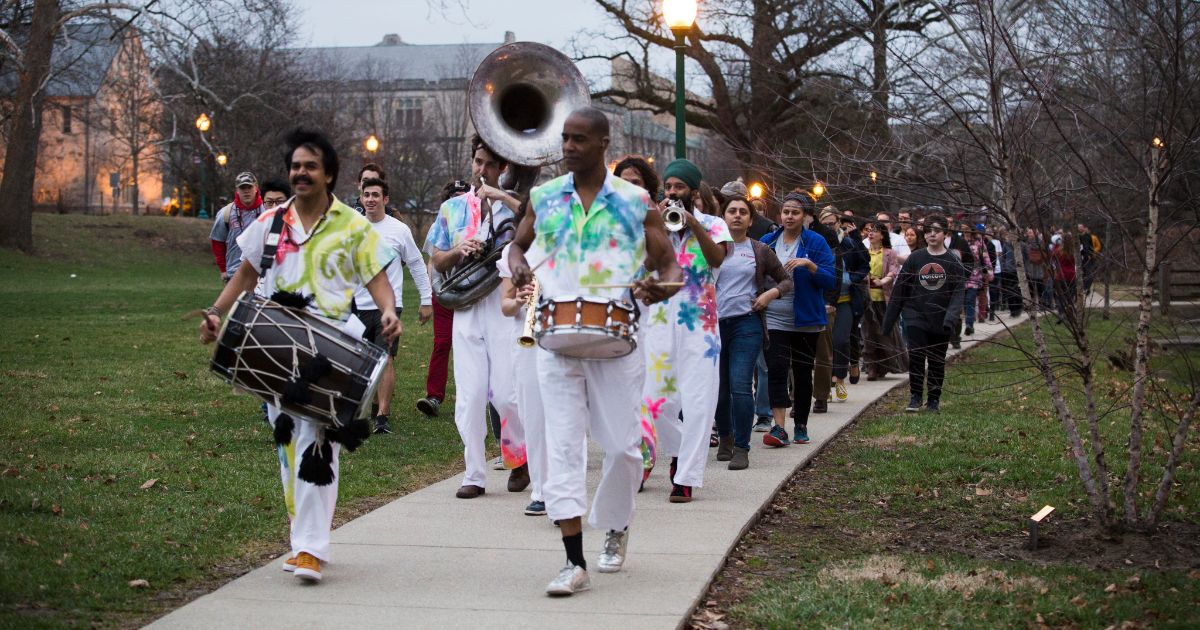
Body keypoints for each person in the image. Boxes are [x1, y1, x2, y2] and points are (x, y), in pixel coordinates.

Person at [198, 127, 400, 583]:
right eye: (295, 167)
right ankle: (302, 537)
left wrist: (389, 311)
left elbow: (377, 281)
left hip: (328, 353)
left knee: (317, 443)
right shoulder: (271, 222)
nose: (300, 174)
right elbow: (245, 274)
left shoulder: (352, 225)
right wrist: (216, 311)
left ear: (328, 173)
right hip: (275, 349)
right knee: (288, 446)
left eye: (310, 166)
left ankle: (310, 548)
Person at [507, 106, 683, 596]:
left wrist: (659, 288)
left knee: (625, 448)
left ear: (604, 143)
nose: (567, 147)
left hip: (618, 340)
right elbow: (517, 247)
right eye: (564, 138)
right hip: (556, 339)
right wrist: (519, 264)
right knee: (561, 446)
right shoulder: (543, 197)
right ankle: (572, 560)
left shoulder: (635, 201)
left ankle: (617, 525)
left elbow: (669, 265)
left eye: (579, 139)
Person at [424, 136, 528, 500]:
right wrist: (458, 250)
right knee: (468, 396)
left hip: (502, 306)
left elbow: (538, 223)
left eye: (488, 164)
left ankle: (519, 458)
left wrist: (501, 199)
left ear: (502, 170)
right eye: (477, 162)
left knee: (507, 394)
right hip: (466, 308)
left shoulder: (512, 207)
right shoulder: (452, 208)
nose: (480, 169)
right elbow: (436, 259)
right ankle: (474, 473)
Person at [637, 158, 730, 503]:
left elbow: (717, 259)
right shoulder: (657, 223)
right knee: (654, 400)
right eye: (669, 187)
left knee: (698, 402)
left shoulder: (714, 223)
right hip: (661, 320)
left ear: (692, 190)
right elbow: (646, 264)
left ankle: (686, 477)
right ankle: (676, 451)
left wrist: (693, 224)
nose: (673, 193)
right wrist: (657, 228)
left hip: (700, 327)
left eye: (679, 187)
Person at [714, 195, 791, 470]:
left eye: (742, 212)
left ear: (750, 219)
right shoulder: (711, 248)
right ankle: (725, 435)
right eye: (731, 211)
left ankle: (742, 447)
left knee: (740, 385)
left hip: (747, 323)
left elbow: (785, 281)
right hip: (713, 326)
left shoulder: (759, 250)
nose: (736, 215)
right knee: (719, 390)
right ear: (722, 216)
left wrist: (769, 295)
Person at [352, 177, 433, 434]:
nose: (371, 199)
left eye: (376, 195)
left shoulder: (399, 230)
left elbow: (418, 265)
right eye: (367, 195)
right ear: (362, 198)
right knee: (360, 360)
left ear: (385, 199)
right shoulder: (353, 228)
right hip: (357, 305)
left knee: (385, 358)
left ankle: (383, 417)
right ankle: (369, 408)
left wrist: (426, 300)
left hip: (390, 306)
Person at [760, 191, 835, 447]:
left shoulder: (815, 243)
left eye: (795, 212)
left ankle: (800, 423)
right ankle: (779, 427)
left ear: (806, 216)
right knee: (777, 370)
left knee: (803, 373)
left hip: (806, 319)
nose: (789, 216)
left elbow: (829, 280)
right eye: (786, 211)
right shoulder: (768, 241)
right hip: (774, 318)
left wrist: (810, 265)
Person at [883, 214, 966, 413]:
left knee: (937, 360)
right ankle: (915, 397)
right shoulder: (916, 258)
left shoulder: (953, 261)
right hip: (915, 316)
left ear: (945, 233)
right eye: (928, 230)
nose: (931, 234)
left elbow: (958, 293)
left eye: (936, 230)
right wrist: (888, 322)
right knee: (917, 357)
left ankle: (934, 400)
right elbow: (900, 290)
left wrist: (950, 319)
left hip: (941, 318)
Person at [415, 179, 470, 418]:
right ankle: (434, 396)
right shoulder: (442, 220)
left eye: (462, 195)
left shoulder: (477, 221)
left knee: (470, 345)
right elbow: (432, 260)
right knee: (442, 343)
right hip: (445, 292)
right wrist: (432, 293)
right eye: (454, 195)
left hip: (471, 293)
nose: (458, 199)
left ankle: (474, 394)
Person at [861, 221, 906, 380]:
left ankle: (886, 364)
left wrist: (883, 281)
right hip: (867, 300)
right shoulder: (863, 252)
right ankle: (871, 366)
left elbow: (894, 271)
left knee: (885, 333)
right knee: (868, 333)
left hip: (884, 299)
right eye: (869, 231)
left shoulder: (889, 253)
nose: (871, 234)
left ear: (882, 235)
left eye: (875, 231)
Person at [209, 171, 265, 283]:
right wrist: (223, 269)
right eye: (242, 187)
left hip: (263, 272)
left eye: (249, 186)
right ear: (237, 190)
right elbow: (218, 242)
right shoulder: (225, 213)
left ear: (256, 188)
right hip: (234, 273)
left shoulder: (267, 210)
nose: (246, 191)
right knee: (235, 301)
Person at [962, 224, 994, 336]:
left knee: (970, 299)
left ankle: (969, 324)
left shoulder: (978, 242)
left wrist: (989, 271)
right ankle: (967, 320)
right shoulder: (958, 241)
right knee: (964, 301)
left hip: (974, 275)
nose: (965, 230)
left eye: (967, 228)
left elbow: (985, 257)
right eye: (962, 228)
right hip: (961, 276)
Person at [1050, 233, 1078, 323]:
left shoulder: (1058, 251)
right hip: (1072, 275)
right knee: (1070, 295)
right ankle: (1070, 311)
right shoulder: (1074, 251)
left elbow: (1052, 259)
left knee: (1060, 296)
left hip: (1061, 275)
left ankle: (1061, 312)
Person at [1077, 223, 1099, 295]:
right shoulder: (1077, 237)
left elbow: (1092, 246)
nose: (1080, 229)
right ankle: (1082, 288)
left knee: (1089, 273)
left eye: (1081, 227)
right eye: (1078, 227)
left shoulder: (1088, 236)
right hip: (1079, 257)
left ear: (1084, 228)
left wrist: (1092, 254)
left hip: (1088, 257)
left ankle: (1087, 288)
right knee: (1081, 273)